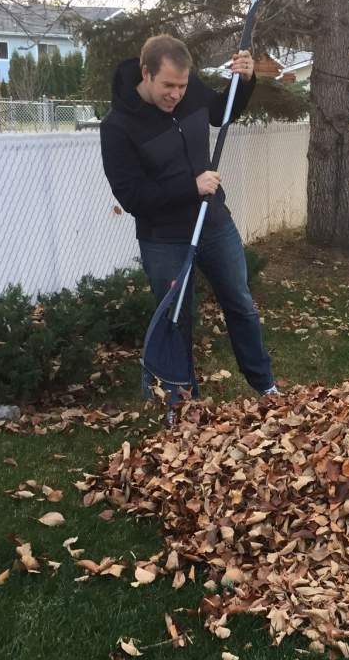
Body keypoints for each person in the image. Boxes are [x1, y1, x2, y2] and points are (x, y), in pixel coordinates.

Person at [99, 34, 277, 425]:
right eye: (168, 86)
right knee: (177, 318)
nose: (177, 95)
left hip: (213, 222)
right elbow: (132, 196)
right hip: (164, 237)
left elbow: (221, 112)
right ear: (146, 74)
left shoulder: (189, 89)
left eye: (182, 86)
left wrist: (243, 82)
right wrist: (189, 187)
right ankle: (183, 405)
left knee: (241, 304)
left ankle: (265, 386)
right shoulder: (118, 127)